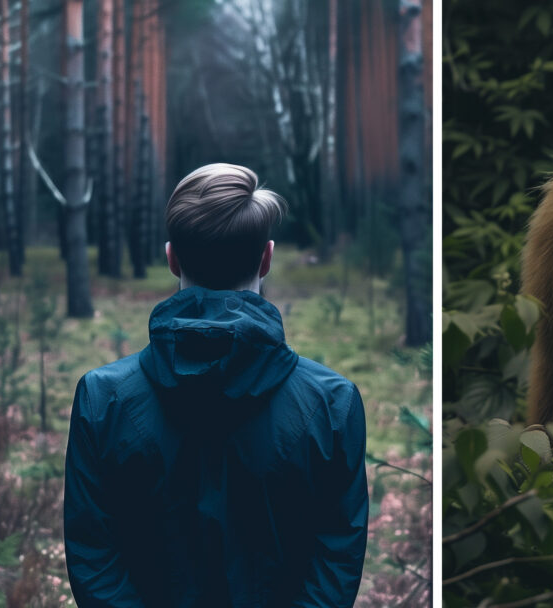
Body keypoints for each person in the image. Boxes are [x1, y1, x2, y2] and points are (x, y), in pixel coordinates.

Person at [63, 164, 368, 607]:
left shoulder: (101, 398)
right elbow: (337, 555)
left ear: (172, 258)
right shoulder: (332, 402)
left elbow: (94, 556)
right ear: (267, 258)